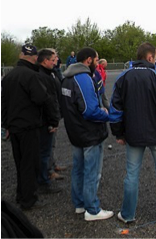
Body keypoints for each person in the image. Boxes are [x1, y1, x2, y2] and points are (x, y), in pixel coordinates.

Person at [109, 42, 156, 224]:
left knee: (131, 175)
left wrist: (119, 134)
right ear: (150, 57)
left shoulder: (123, 78)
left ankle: (127, 214)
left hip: (133, 135)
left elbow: (115, 111)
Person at [1, 44, 56, 210]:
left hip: (14, 126)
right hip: (29, 125)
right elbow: (42, 98)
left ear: (20, 55)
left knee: (20, 162)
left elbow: (3, 104)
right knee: (30, 163)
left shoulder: (8, 77)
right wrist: (53, 120)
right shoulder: (32, 76)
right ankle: (28, 199)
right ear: (34, 58)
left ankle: (21, 194)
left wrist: (5, 124)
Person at [60, 47, 112, 221]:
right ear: (89, 60)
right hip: (89, 133)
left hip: (75, 132)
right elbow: (90, 110)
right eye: (97, 61)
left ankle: (80, 204)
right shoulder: (83, 78)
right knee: (92, 171)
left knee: (78, 170)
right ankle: (92, 210)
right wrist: (106, 113)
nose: (97, 64)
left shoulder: (66, 78)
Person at [36, 49, 64, 189]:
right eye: (53, 59)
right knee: (44, 151)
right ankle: (44, 178)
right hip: (46, 120)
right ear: (45, 60)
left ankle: (49, 169)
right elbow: (48, 100)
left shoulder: (51, 73)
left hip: (52, 116)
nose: (55, 62)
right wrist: (52, 121)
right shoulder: (42, 76)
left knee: (49, 147)